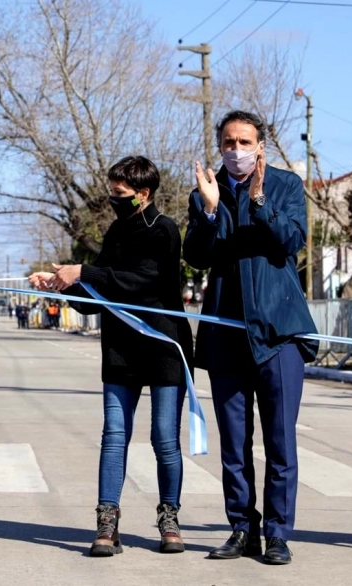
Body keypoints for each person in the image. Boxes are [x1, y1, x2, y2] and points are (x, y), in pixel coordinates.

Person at [30, 156, 193, 557]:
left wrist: (83, 272)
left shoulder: (165, 230)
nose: (112, 200)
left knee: (164, 439)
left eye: (119, 194)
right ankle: (107, 521)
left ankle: (169, 518)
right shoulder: (115, 233)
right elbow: (97, 300)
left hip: (163, 347)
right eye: (111, 192)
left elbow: (144, 283)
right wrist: (60, 286)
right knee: (114, 435)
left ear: (143, 193)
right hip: (120, 349)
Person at [184, 110, 319, 565]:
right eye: (228, 142)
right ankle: (242, 528)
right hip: (226, 337)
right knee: (234, 444)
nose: (235, 150)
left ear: (260, 145)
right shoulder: (207, 191)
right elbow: (197, 257)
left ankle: (278, 533)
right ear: (219, 145)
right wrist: (207, 209)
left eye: (244, 141)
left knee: (280, 442)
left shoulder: (286, 185)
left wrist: (259, 201)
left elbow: (290, 241)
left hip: (278, 336)